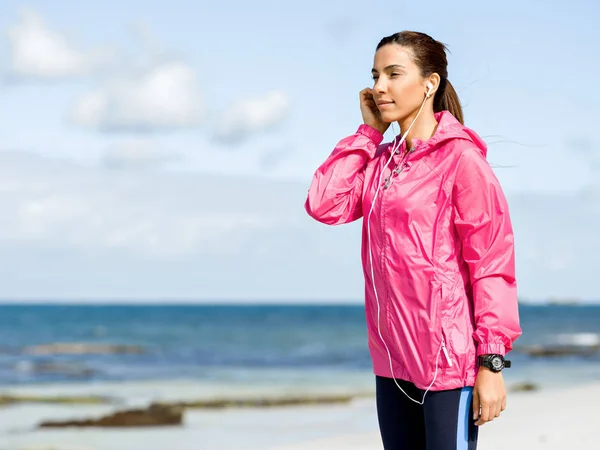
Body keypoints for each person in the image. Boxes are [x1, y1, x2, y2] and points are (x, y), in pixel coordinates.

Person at [304, 31, 522, 450]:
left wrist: (491, 363)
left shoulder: (462, 160)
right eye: (375, 75)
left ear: (430, 83)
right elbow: (324, 204)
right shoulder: (381, 163)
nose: (378, 87)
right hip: (391, 363)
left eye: (393, 73)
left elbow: (492, 265)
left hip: (448, 365)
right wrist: (368, 135)